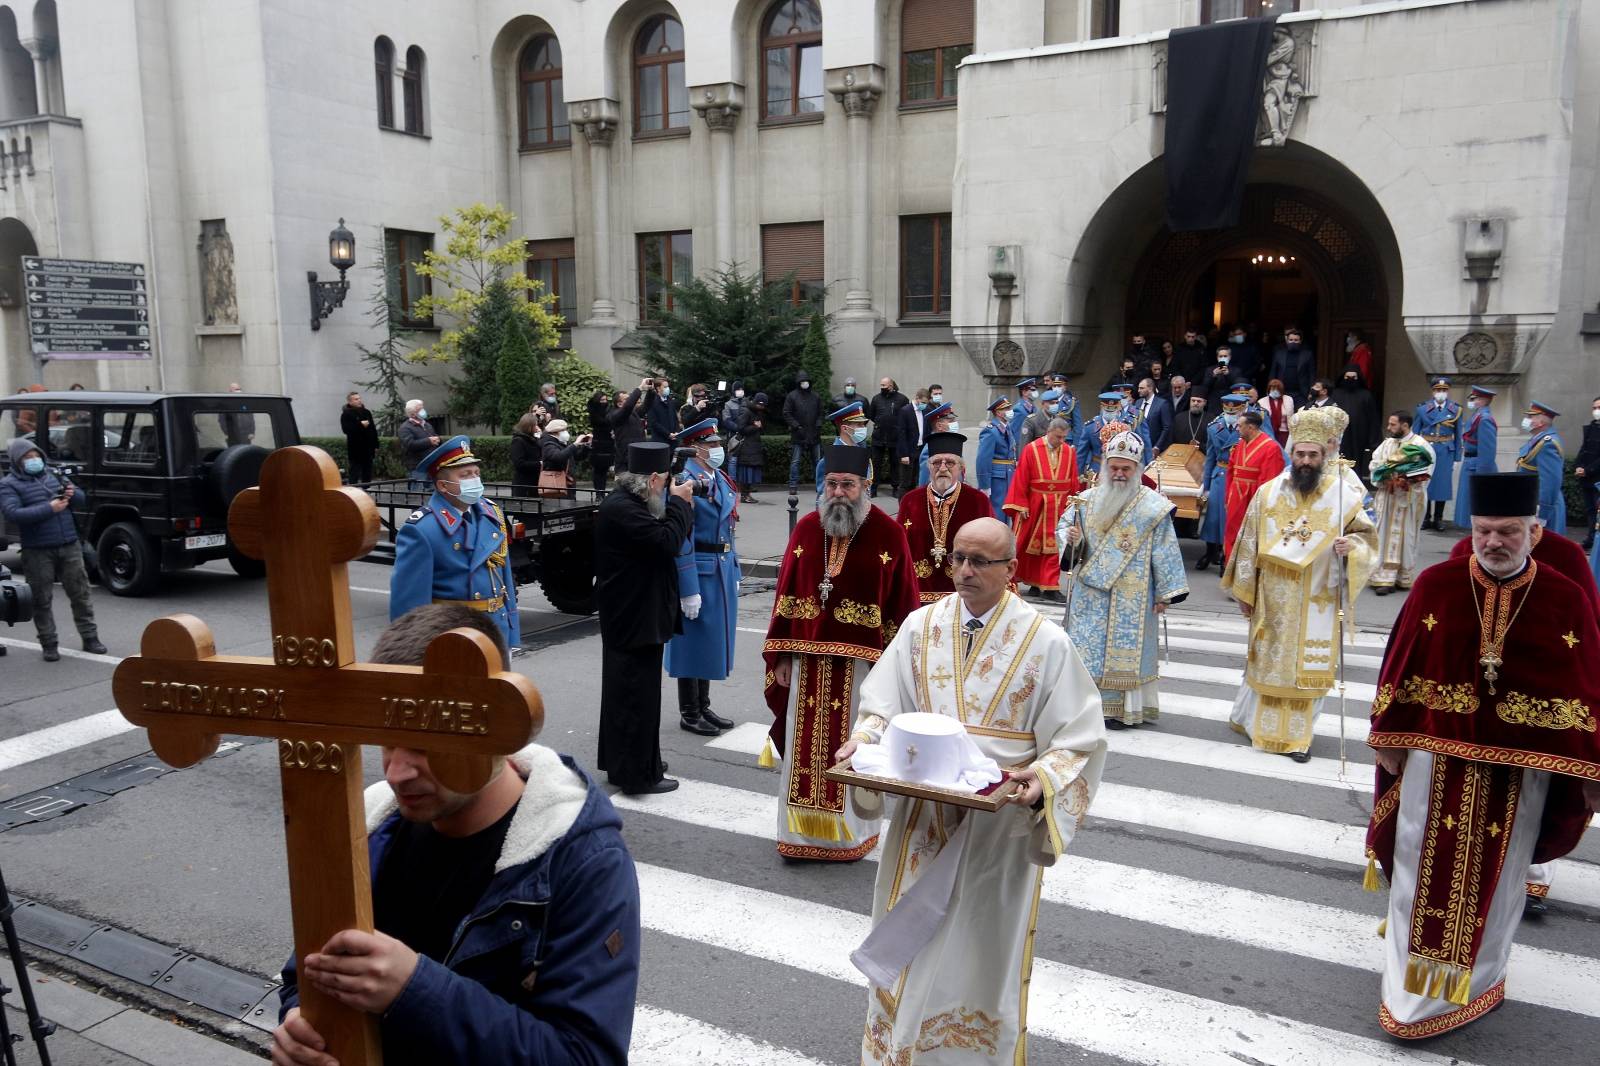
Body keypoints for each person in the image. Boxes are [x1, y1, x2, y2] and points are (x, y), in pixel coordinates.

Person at [271, 604, 641, 1066]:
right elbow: (305, 975)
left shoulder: (579, 858)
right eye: (386, 738)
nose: (396, 771)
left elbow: (587, 1056)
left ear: (496, 730)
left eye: (426, 745)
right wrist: (298, 1024)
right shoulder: (365, 827)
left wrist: (414, 990)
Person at [839, 517, 1107, 1065]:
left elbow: (1079, 739)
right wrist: (863, 742)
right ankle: (900, 1052)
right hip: (923, 819)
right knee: (913, 939)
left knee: (980, 947)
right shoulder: (921, 626)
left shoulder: (1047, 642)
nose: (964, 571)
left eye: (980, 561)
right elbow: (882, 705)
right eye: (958, 558)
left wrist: (1042, 780)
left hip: (998, 827)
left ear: (1011, 569)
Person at [1364, 472, 1600, 1040]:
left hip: (1520, 773)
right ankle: (1410, 993)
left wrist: (1591, 766)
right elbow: (1402, 663)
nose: (1495, 542)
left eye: (1509, 532)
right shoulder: (1436, 586)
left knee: (1503, 876)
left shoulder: (1564, 597)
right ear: (1471, 529)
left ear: (1534, 531)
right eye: (1485, 531)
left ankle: (1479, 980)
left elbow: (1587, 685)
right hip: (1432, 762)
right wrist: (1391, 737)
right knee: (1421, 869)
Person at [761, 446, 919, 861]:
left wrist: (894, 665)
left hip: (863, 666)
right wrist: (779, 655)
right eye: (831, 484)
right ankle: (799, 836)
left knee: (852, 747)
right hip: (805, 662)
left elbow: (904, 601)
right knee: (802, 749)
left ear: (865, 486)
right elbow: (786, 592)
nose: (838, 493)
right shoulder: (808, 527)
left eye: (848, 485)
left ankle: (848, 836)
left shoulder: (888, 532)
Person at [1222, 407, 1378, 762]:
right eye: (1300, 453)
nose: (1305, 460)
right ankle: (1258, 726)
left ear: (1324, 455)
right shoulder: (1268, 493)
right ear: (1291, 454)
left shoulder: (1343, 496)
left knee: (1304, 670)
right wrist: (1244, 591)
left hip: (1317, 595)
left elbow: (1368, 540)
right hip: (1274, 597)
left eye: (1313, 454)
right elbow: (1249, 545)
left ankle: (1297, 739)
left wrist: (1349, 547)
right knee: (1270, 663)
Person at [1058, 432, 1188, 729]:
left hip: (1136, 592)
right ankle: (1086, 708)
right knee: (1087, 651)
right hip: (1089, 594)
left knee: (1125, 654)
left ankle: (1120, 710)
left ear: (1137, 469)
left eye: (1125, 469)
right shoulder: (1084, 501)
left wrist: (1165, 593)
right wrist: (1071, 540)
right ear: (1105, 466)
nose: (1119, 474)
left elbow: (1165, 548)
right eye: (1114, 468)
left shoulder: (1153, 506)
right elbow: (1066, 534)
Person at [595, 442, 696, 795]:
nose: (669, 486)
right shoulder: (625, 510)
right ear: (653, 479)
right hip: (634, 617)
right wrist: (681, 503)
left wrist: (676, 506)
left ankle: (628, 760)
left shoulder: (629, 502)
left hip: (632, 613)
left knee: (625, 693)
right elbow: (667, 542)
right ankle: (638, 774)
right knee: (637, 696)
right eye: (666, 481)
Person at [390, 436, 520, 653]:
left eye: (476, 473)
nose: (474, 480)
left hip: (497, 631)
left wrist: (512, 633)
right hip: (452, 638)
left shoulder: (492, 513)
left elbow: (505, 577)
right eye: (465, 475)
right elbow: (409, 607)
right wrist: (414, 655)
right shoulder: (422, 529)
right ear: (443, 485)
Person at [665, 419, 740, 739]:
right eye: (710, 445)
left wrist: (735, 569)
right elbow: (681, 536)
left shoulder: (719, 477)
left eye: (717, 444)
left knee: (711, 642)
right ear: (695, 448)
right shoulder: (684, 480)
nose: (717, 449)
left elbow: (731, 528)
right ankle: (689, 712)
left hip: (721, 566)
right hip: (699, 567)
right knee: (692, 642)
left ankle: (704, 704)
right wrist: (687, 589)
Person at [0, 440, 105, 660]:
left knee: (81, 594)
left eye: (35, 455)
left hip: (69, 544)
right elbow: (13, 514)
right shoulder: (9, 484)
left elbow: (81, 500)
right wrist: (49, 508)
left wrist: (71, 491)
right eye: (27, 457)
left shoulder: (54, 475)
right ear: (17, 461)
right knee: (41, 599)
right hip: (37, 550)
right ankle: (49, 643)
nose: (33, 460)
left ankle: (90, 638)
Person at [899, 432, 995, 604]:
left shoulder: (978, 501)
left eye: (950, 463)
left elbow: (994, 545)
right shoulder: (910, 500)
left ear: (961, 468)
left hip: (966, 593)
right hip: (917, 594)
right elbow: (899, 547)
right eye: (937, 462)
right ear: (929, 467)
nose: (942, 468)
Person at [1003, 417, 1082, 600]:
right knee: (1029, 545)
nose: (1061, 441)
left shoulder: (1069, 452)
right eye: (1058, 437)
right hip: (1035, 504)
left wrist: (1073, 504)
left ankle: (1051, 586)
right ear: (1049, 432)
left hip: (1060, 505)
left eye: (1064, 437)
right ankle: (1034, 582)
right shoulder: (1031, 449)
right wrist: (1021, 503)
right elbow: (1021, 477)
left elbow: (1073, 479)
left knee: (1056, 544)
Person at [1368, 411, 1436, 595]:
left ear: (1405, 425)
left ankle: (1399, 577)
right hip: (1388, 497)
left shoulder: (1421, 445)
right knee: (1382, 535)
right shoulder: (1387, 443)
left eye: (1392, 424)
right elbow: (1375, 464)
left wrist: (1408, 480)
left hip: (1407, 499)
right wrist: (1385, 477)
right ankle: (1383, 577)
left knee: (1404, 537)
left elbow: (1427, 470)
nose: (1388, 428)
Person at [1224, 410, 1286, 560]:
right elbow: (1231, 471)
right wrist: (1228, 496)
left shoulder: (1271, 447)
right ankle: (1230, 564)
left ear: (1250, 428)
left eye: (1240, 426)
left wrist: (1259, 503)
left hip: (1253, 497)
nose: (1237, 429)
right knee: (1232, 530)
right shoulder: (1239, 445)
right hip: (1236, 495)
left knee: (1252, 534)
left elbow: (1269, 479)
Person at [1197, 393, 1246, 571]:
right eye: (1228, 410)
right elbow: (1210, 457)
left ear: (1241, 410)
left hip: (1239, 474)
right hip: (1219, 473)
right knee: (1214, 516)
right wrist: (1206, 486)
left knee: (1231, 518)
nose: (1231, 414)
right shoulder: (1214, 427)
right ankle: (1210, 551)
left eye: (1235, 411)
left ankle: (1227, 556)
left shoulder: (1247, 428)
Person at [1413, 377, 1461, 530]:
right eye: (1438, 390)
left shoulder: (1455, 409)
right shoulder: (1422, 409)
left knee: (1442, 485)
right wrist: (1412, 452)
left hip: (1445, 450)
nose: (1441, 393)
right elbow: (1415, 432)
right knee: (1425, 483)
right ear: (1433, 391)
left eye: (1444, 390)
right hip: (1426, 449)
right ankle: (1426, 517)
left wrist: (1457, 456)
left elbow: (1459, 434)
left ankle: (1439, 518)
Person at [1451, 385, 1498, 529]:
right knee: (1468, 503)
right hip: (1470, 462)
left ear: (1483, 400)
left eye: (1475, 398)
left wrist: (1482, 475)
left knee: (1476, 504)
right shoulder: (1477, 416)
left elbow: (1487, 451)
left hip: (1477, 464)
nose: (1471, 401)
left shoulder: (1484, 419)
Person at [1516, 400, 1566, 533]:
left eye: (1530, 417)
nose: (1526, 420)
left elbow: (1550, 482)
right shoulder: (1537, 439)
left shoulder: (1547, 444)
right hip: (1533, 500)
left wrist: (1543, 513)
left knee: (1547, 549)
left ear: (1541, 422)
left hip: (1542, 505)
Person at [1079, 391, 1151, 479]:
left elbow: (1139, 449)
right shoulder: (1090, 427)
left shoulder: (1127, 426)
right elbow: (1081, 454)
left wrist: (1140, 473)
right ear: (1101, 407)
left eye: (1113, 409)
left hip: (1122, 471)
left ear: (1119, 408)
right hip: (1097, 471)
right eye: (1107, 409)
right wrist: (1078, 475)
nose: (1109, 413)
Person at [816, 402, 874, 502]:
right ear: (845, 428)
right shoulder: (830, 458)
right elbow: (822, 499)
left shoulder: (861, 453)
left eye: (863, 424)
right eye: (859, 425)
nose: (863, 428)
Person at [1331, 365, 1381, 481]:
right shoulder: (1335, 394)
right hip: (1339, 436)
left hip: (1359, 437)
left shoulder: (1366, 395)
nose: (1350, 380)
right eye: (1348, 377)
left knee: (1357, 463)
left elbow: (1373, 419)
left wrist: (1374, 441)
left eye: (1354, 377)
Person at [975, 398, 1018, 519]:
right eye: (1007, 409)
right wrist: (984, 485)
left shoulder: (1007, 427)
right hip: (996, 479)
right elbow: (983, 460)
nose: (1010, 411)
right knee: (996, 513)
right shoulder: (991, 431)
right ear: (998, 413)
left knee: (1005, 512)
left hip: (1007, 475)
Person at [782, 370, 823, 493]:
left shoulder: (816, 396)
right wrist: (796, 426)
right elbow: (786, 413)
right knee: (795, 461)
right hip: (798, 434)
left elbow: (821, 413)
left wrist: (819, 424)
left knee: (817, 461)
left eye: (806, 381)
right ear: (798, 383)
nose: (804, 383)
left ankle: (819, 484)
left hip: (814, 433)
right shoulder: (792, 396)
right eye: (802, 381)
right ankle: (793, 485)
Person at [867, 377, 906, 497]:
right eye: (881, 385)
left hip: (895, 437)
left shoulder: (902, 399)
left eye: (884, 385)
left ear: (891, 385)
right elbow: (871, 415)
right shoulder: (876, 399)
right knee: (876, 463)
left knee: (895, 463)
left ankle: (895, 487)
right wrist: (880, 423)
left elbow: (905, 415)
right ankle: (873, 488)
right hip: (878, 436)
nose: (882, 388)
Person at [1574, 395, 1600, 551]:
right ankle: (1590, 538)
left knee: (1598, 511)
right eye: (1594, 408)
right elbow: (1583, 450)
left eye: (1599, 408)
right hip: (1586, 478)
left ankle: (1596, 540)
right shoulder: (1590, 428)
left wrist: (1588, 470)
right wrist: (1578, 466)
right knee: (1590, 510)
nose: (1596, 411)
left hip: (1597, 477)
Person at [733, 391, 769, 503]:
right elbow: (741, 428)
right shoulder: (747, 411)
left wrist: (758, 427)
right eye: (760, 404)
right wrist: (755, 426)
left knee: (750, 472)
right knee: (746, 472)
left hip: (753, 445)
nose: (762, 407)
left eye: (763, 405)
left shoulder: (757, 412)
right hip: (747, 446)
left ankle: (747, 494)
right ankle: (745, 495)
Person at [539, 418, 590, 496]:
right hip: (556, 483)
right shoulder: (548, 444)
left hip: (568, 481)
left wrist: (586, 446)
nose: (566, 432)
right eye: (563, 430)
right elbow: (559, 457)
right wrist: (575, 444)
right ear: (554, 432)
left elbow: (578, 457)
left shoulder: (564, 443)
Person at [914, 401, 960, 486]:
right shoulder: (931, 448)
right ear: (939, 426)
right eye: (951, 421)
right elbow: (924, 480)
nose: (955, 423)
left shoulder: (949, 442)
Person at [894, 387, 929, 493]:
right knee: (905, 483)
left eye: (926, 403)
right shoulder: (905, 410)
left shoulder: (925, 411)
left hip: (920, 450)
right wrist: (904, 454)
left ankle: (912, 508)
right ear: (917, 398)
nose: (924, 405)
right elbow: (901, 434)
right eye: (923, 402)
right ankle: (902, 508)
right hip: (908, 451)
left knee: (916, 481)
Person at [340, 391, 380, 484]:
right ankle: (353, 490)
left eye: (359, 398)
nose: (359, 401)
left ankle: (367, 489)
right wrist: (360, 424)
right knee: (355, 471)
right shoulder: (346, 414)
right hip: (356, 448)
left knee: (367, 470)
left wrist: (376, 444)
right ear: (350, 402)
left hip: (368, 448)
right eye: (356, 399)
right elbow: (346, 430)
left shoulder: (366, 412)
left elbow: (373, 430)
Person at [1269, 328, 1317, 405]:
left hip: (1301, 393)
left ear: (1300, 341)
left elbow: (1312, 374)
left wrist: (1311, 392)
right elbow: (1273, 372)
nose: (1293, 342)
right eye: (1291, 340)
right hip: (1281, 392)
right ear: (1287, 341)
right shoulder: (1279, 354)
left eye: (1296, 340)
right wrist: (1271, 388)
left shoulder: (1307, 355)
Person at [1130, 378, 1171, 458]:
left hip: (1154, 448)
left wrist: (1157, 446)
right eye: (1138, 388)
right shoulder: (1137, 403)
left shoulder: (1162, 404)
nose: (1138, 390)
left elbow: (1167, 427)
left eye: (1142, 388)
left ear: (1150, 388)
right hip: (1138, 449)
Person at [586, 388, 617, 492]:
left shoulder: (609, 409)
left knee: (604, 470)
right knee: (598, 470)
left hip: (608, 443)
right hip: (598, 443)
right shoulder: (594, 412)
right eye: (602, 400)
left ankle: (601, 491)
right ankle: (599, 491)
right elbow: (599, 422)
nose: (604, 402)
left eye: (605, 400)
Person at [397, 399, 440, 473]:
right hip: (417, 467)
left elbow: (434, 436)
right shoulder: (405, 428)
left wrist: (438, 440)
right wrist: (429, 441)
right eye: (420, 409)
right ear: (413, 413)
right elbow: (410, 445)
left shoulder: (427, 424)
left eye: (423, 408)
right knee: (419, 484)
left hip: (431, 464)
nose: (423, 411)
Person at [508, 412, 544, 498]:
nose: (537, 428)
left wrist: (540, 439)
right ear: (529, 427)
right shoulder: (518, 441)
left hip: (535, 482)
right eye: (535, 425)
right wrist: (540, 464)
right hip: (523, 484)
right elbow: (519, 463)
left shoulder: (533, 439)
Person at [218, 382, 257, 446]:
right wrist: (228, 433)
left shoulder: (245, 402)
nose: (238, 391)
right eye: (236, 389)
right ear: (230, 391)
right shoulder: (225, 404)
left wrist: (252, 432)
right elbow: (222, 421)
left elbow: (251, 418)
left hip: (246, 435)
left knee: (246, 451)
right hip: (233, 435)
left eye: (239, 389)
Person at [642, 377, 677, 444]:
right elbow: (653, 422)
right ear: (658, 388)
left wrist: (676, 431)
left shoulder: (670, 401)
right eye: (665, 387)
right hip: (659, 441)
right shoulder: (652, 402)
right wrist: (668, 434)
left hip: (673, 439)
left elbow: (675, 418)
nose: (667, 389)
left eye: (668, 387)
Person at [1261, 378, 1294, 448]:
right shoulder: (1261, 401)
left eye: (1277, 389)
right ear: (1269, 389)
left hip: (1285, 433)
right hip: (1268, 433)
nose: (1275, 391)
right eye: (1273, 389)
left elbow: (1291, 416)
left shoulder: (1288, 399)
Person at [1008, 377, 1037, 442]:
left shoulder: (1034, 407)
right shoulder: (1019, 410)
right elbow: (1015, 433)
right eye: (1032, 390)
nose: (1035, 392)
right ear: (1024, 392)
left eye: (1035, 390)